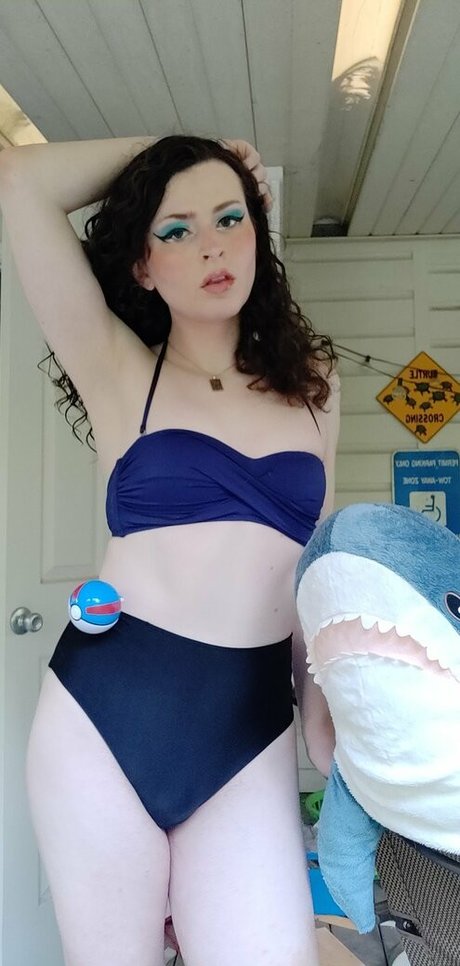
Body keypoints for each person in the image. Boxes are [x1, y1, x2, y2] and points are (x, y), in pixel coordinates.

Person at [0, 133, 339, 966]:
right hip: (106, 717)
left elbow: (310, 569)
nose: (212, 245)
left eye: (229, 218)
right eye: (176, 229)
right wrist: (182, 147)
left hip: (249, 725)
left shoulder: (316, 389)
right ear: (143, 266)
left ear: (257, 234)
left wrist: (320, 705)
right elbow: (20, 176)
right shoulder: (116, 367)